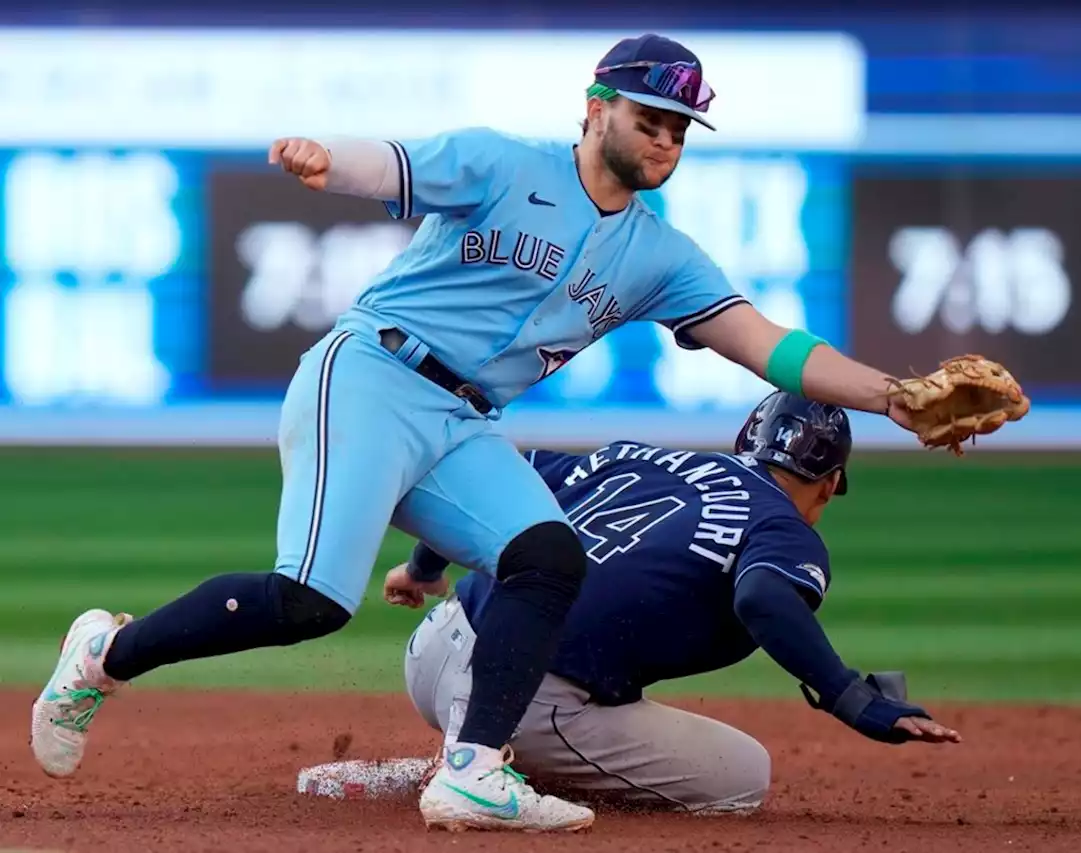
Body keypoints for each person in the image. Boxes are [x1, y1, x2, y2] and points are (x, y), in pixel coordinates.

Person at [31, 33, 921, 833]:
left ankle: (473, 772)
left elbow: (771, 346)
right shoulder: (505, 163)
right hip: (373, 375)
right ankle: (105, 654)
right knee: (311, 602)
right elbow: (393, 164)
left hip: (462, 421)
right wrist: (322, 158)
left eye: (681, 129)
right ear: (598, 106)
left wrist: (895, 395)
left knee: (547, 556)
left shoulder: (661, 258)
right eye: (653, 117)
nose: (666, 141)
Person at [389, 392, 961, 818]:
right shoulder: (781, 527)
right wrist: (851, 698)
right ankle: (482, 772)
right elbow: (763, 597)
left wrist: (422, 569)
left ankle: (466, 751)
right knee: (743, 776)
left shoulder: (638, 457)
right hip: (528, 706)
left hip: (434, 651)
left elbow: (501, 482)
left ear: (747, 443)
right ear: (830, 482)